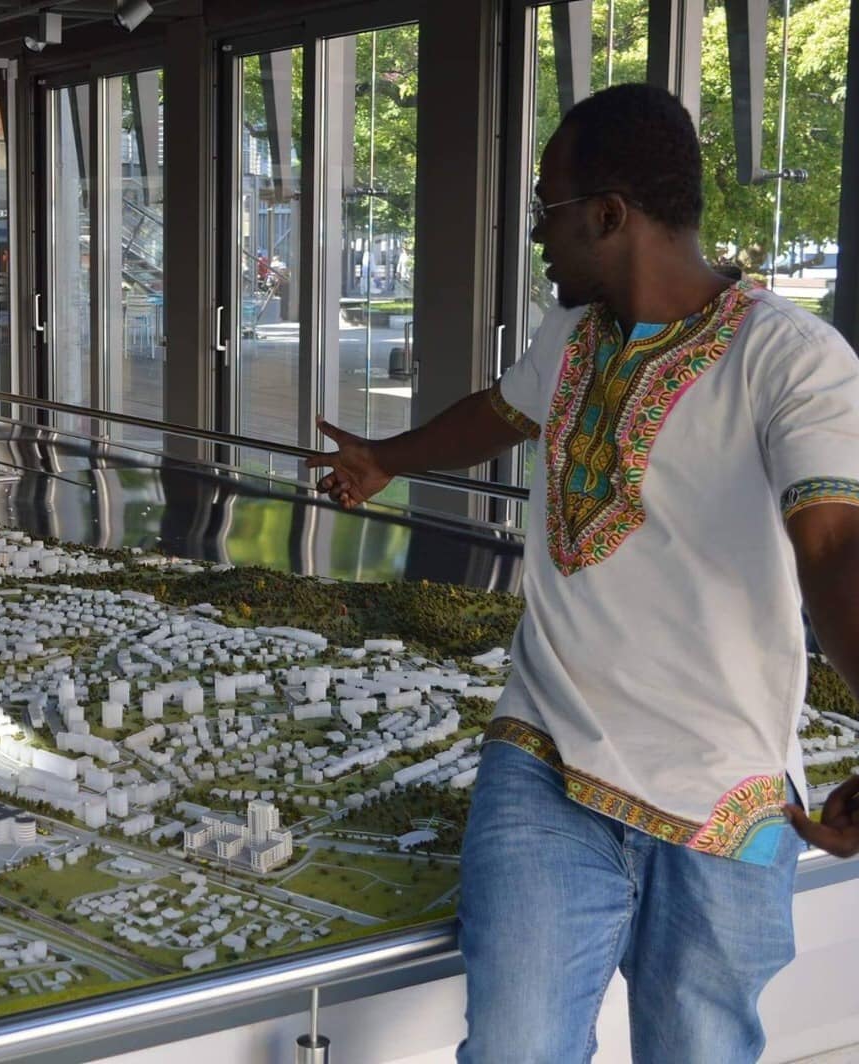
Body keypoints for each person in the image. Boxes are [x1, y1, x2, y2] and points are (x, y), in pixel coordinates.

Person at [308, 83, 859, 1062]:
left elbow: (830, 546)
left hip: (722, 793)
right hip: (544, 763)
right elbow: (498, 413)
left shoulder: (791, 360)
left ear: (608, 214)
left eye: (546, 211)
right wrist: (387, 457)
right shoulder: (570, 337)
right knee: (515, 1051)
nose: (537, 236)